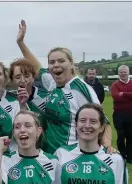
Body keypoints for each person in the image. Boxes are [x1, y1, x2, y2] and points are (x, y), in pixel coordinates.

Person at [16, 19, 113, 154]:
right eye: (52, 62)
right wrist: (20, 43)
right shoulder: (51, 81)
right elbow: (36, 66)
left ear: (71, 64)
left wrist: (108, 147)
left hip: (71, 157)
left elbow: (104, 122)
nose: (56, 65)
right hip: (48, 154)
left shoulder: (81, 89)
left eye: (61, 61)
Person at [110, 65, 132, 164]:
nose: (123, 74)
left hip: (131, 113)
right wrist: (131, 94)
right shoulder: (115, 84)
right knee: (121, 135)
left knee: (131, 135)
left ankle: (130, 157)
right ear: (118, 73)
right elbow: (116, 97)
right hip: (119, 114)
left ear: (128, 72)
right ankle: (122, 156)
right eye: (121, 72)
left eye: (125, 72)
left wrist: (123, 93)